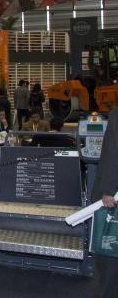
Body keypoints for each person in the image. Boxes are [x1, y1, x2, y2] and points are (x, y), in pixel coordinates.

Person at [92, 108, 118, 298]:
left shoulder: (116, 117)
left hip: (113, 194)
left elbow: (112, 152)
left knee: (108, 249)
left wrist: (107, 189)